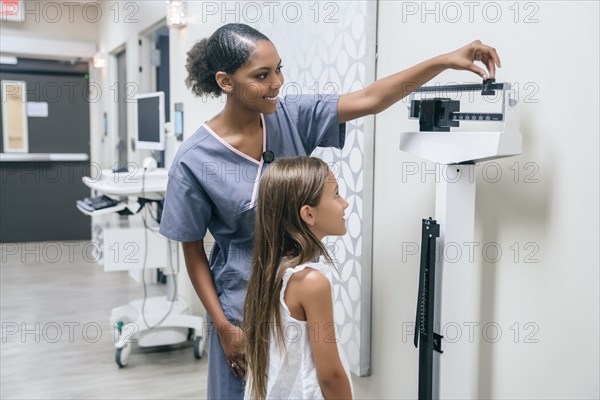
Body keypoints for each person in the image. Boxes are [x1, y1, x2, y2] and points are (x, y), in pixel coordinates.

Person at [158, 23, 500, 399]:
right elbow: (191, 248)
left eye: (278, 69)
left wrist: (444, 61)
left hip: (298, 304)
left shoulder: (290, 116)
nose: (277, 83)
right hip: (243, 312)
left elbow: (370, 98)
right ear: (225, 81)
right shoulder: (194, 160)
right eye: (262, 75)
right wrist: (223, 327)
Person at [244, 156, 352, 400]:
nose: (344, 204)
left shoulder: (272, 271)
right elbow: (330, 376)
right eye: (336, 195)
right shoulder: (312, 284)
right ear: (308, 214)